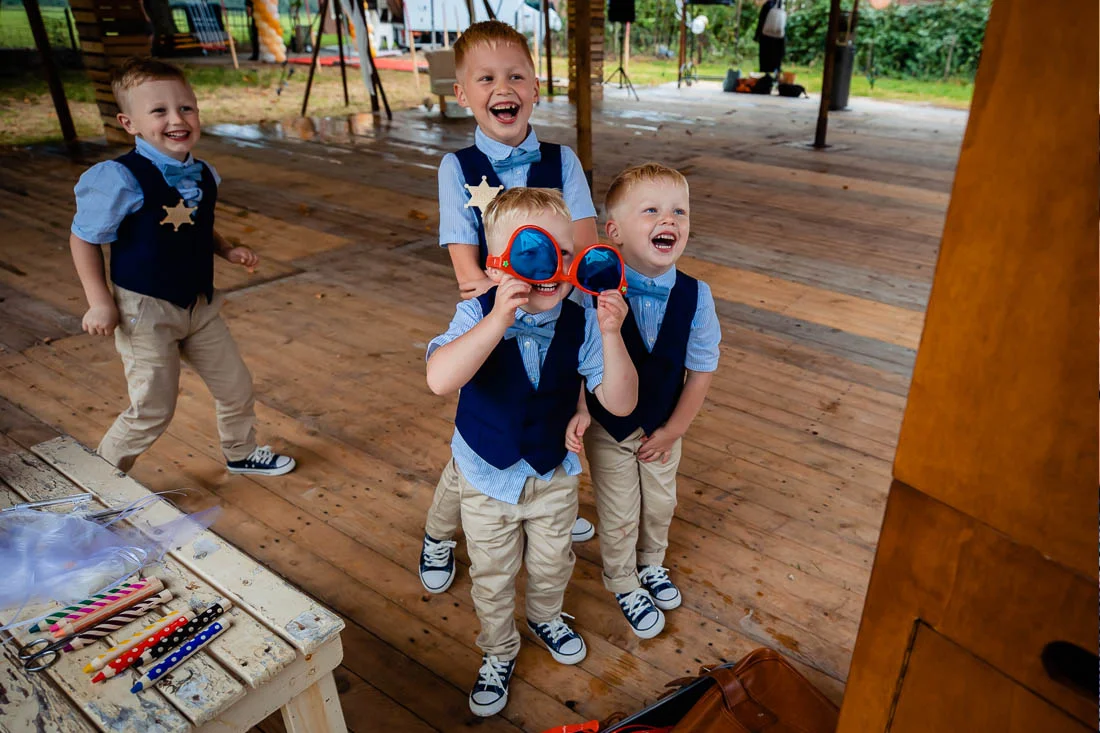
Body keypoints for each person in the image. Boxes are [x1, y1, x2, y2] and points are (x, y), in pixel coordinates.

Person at [425, 187, 637, 716]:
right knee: (493, 576)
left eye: (563, 253)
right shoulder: (476, 312)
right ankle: (498, 649)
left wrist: (612, 334)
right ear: (496, 266)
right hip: (487, 476)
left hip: (553, 471)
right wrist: (496, 320)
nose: (551, 267)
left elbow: (622, 402)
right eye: (531, 252)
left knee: (551, 563)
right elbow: (440, 379)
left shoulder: (582, 320)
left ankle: (545, 617)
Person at [421, 20, 600, 595]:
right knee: (480, 439)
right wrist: (506, 312)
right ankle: (438, 533)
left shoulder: (562, 161)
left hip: (557, 308)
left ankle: (547, 497)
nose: (504, 88)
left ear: (536, 87)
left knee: (550, 407)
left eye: (516, 76)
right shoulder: (457, 168)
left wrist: (562, 315)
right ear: (462, 93)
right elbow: (466, 267)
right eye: (487, 79)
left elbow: (583, 247)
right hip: (495, 312)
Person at [69, 57, 295, 478]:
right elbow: (84, 237)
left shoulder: (203, 173)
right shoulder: (120, 179)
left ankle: (241, 451)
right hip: (144, 310)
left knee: (235, 385)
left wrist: (226, 250)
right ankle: (100, 480)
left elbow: (194, 222)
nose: (176, 119)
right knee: (152, 408)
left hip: (199, 305)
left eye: (185, 107)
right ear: (130, 123)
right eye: (159, 111)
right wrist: (99, 302)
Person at [581, 163, 720, 639]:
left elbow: (701, 369)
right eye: (652, 211)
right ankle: (622, 580)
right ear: (615, 233)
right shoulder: (591, 293)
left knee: (660, 503)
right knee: (619, 511)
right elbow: (577, 362)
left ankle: (652, 562)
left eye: (679, 211)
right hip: (609, 428)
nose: (669, 220)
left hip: (664, 424)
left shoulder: (697, 296)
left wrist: (675, 429)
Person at [755, 0, 786, 77]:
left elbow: (761, 21)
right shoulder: (781, 7)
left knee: (765, 61)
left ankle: (767, 78)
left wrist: (757, 36)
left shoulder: (767, 6)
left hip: (766, 37)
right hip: (778, 38)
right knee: (776, 61)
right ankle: (775, 77)